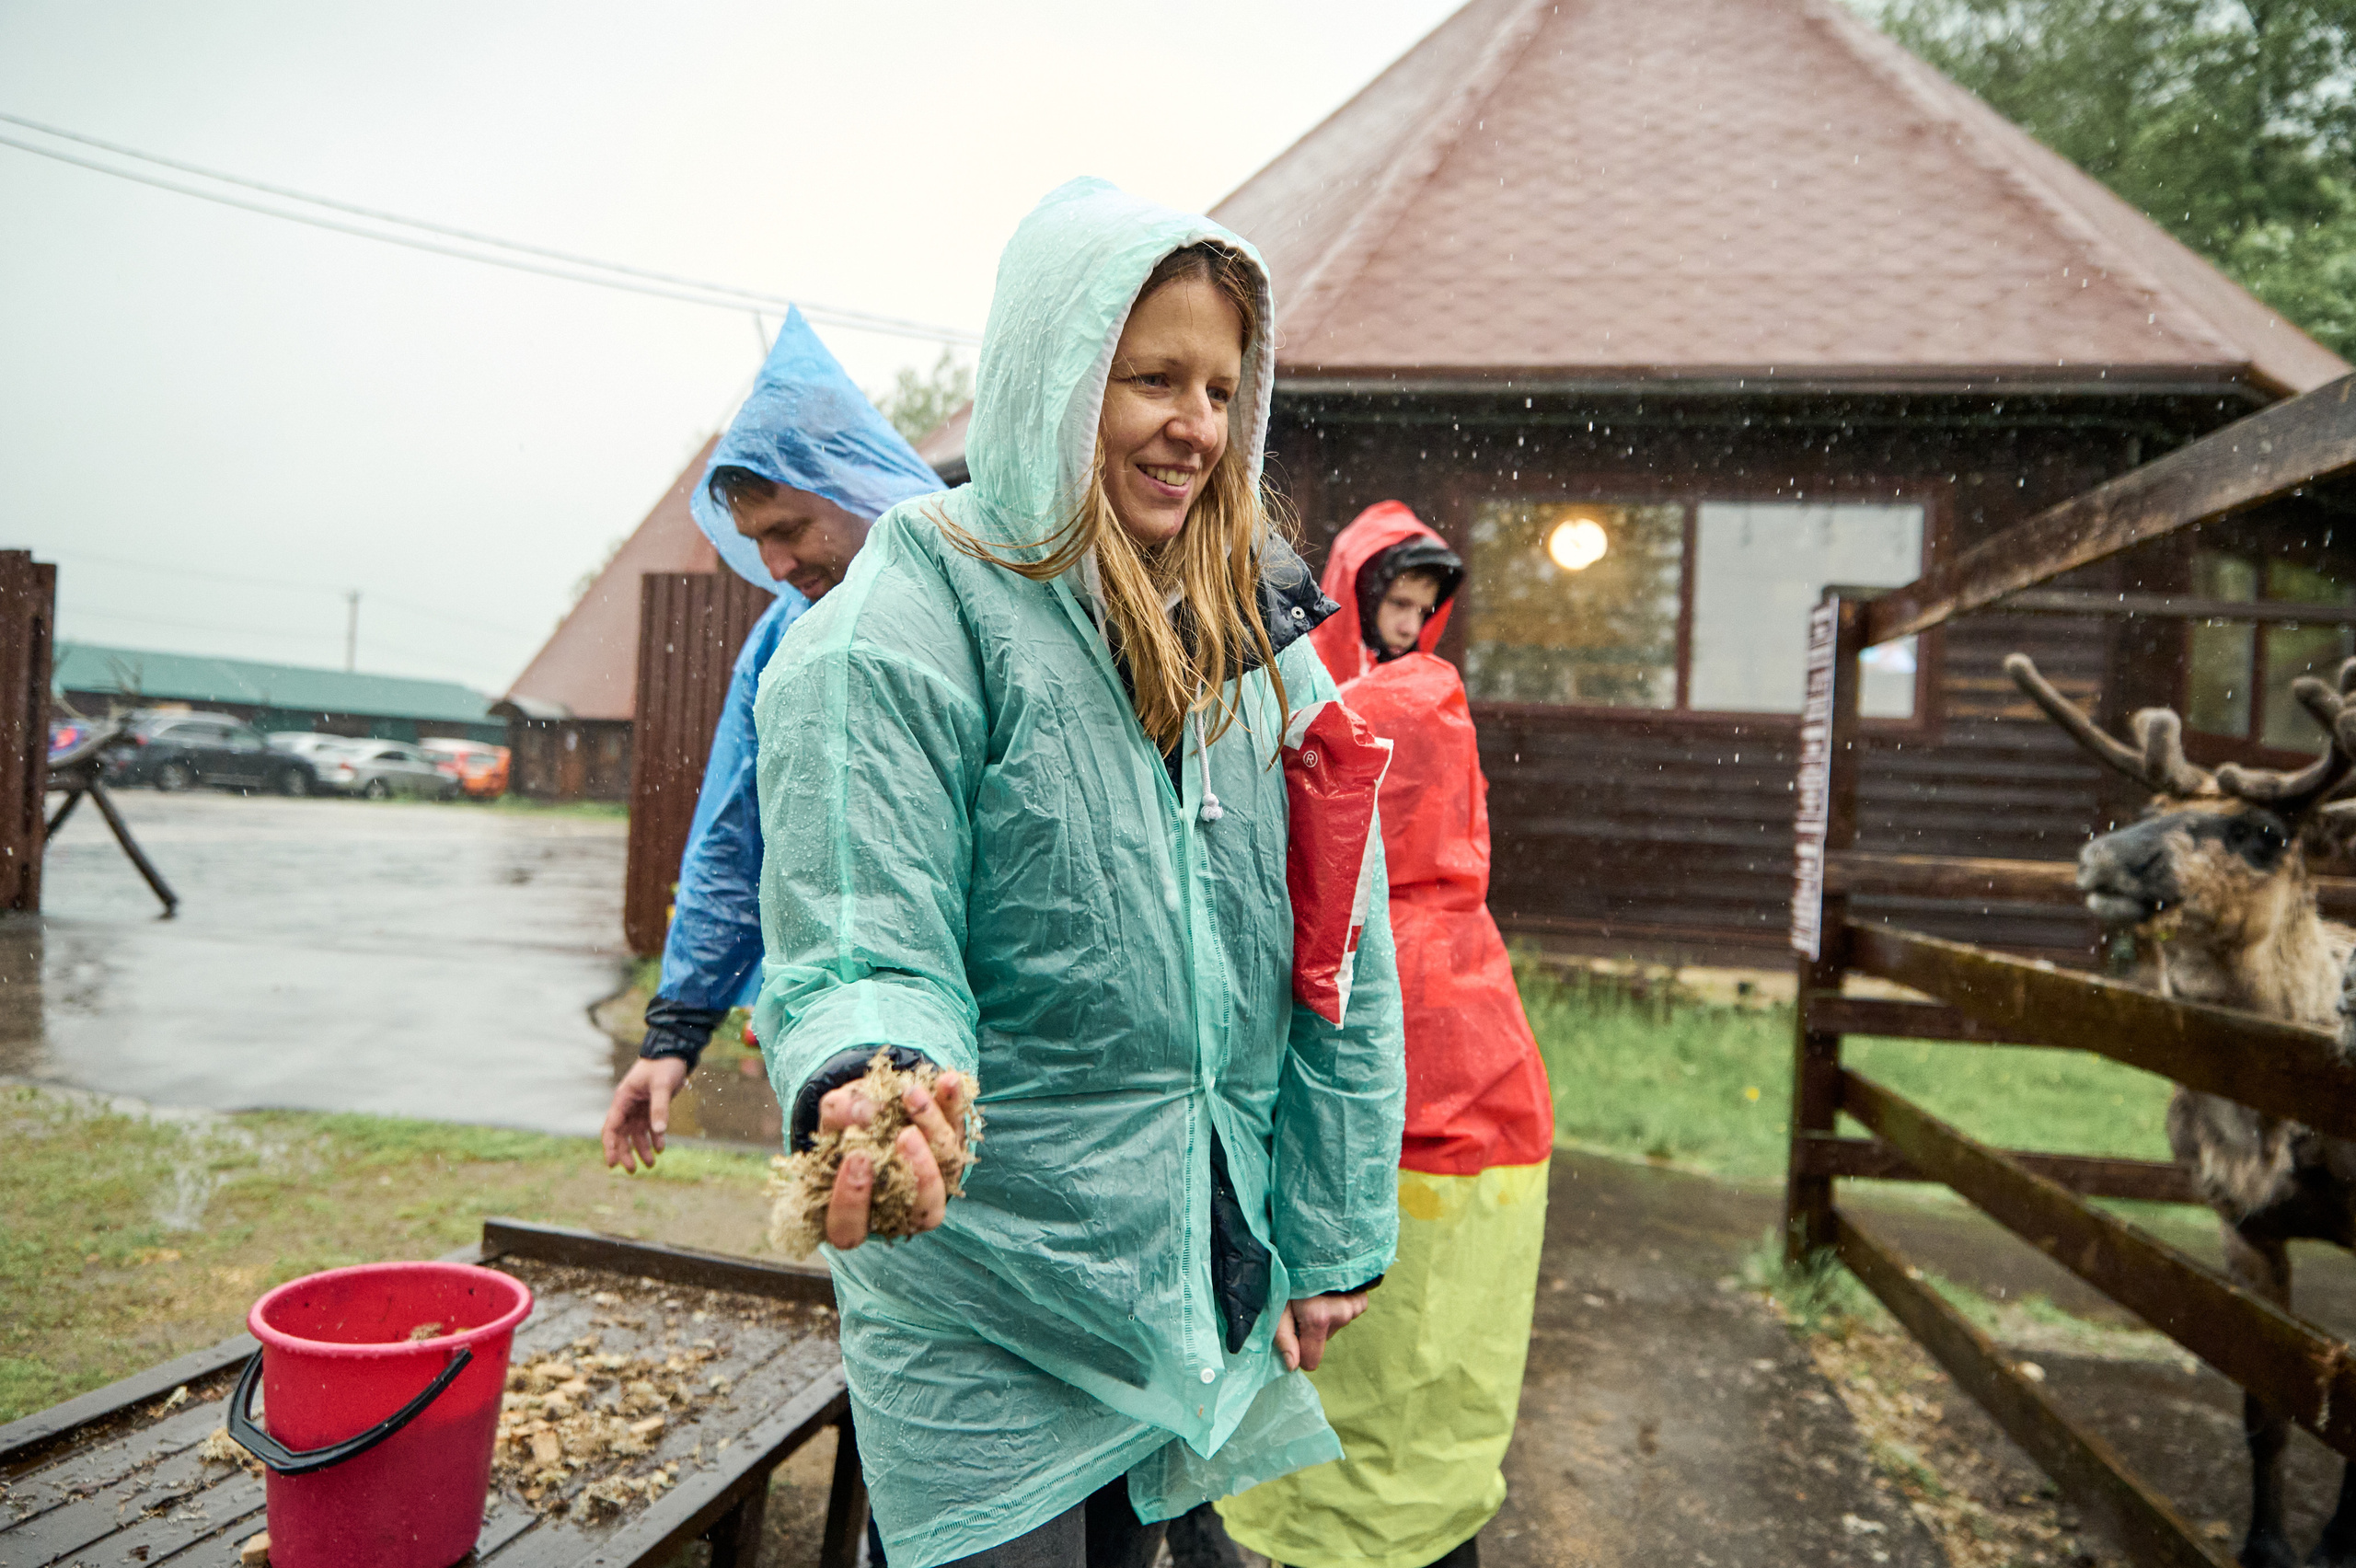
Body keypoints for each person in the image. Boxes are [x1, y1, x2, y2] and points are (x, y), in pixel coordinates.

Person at [752, 178, 1407, 1568]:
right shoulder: (917, 613)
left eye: (1223, 389)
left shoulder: (1254, 634)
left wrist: (1335, 1222)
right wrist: (881, 1070)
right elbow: (868, 925)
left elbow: (1345, 947)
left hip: (1187, 1255)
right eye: (1152, 377)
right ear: (1056, 371)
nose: (1196, 425)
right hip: (995, 1279)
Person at [1217, 501, 1555, 1568]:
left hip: (1400, 1139)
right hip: (1493, 1113)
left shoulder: (1330, 765)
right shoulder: (1458, 930)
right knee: (1439, 1393)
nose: (1408, 625)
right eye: (1393, 602)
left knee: (1339, 1427)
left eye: (1423, 608)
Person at [601, 307, 942, 1172]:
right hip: (846, 1047)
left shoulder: (982, 599)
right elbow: (733, 834)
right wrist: (675, 1030)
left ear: (852, 478)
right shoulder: (784, 640)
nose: (778, 565)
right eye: (758, 543)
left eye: (788, 530)